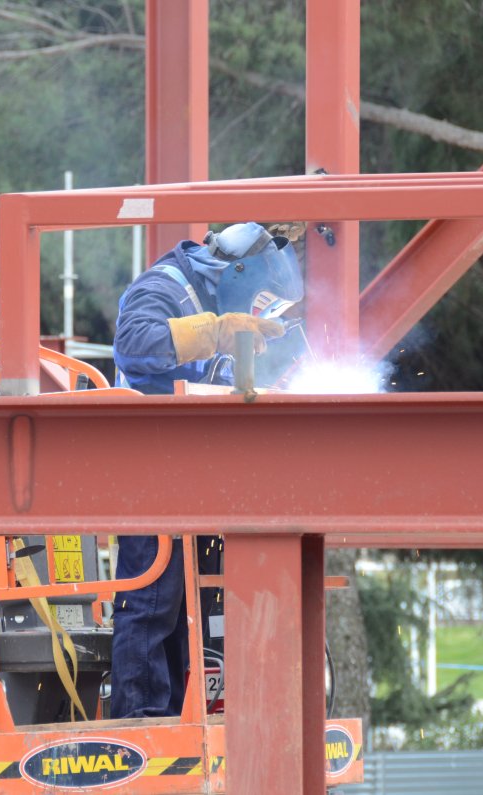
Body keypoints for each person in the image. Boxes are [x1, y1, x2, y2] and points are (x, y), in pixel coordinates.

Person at [109, 222, 304, 718]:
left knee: (189, 608)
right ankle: (141, 725)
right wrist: (218, 332)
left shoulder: (211, 296)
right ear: (236, 275)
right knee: (153, 600)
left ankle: (177, 718)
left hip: (191, 471)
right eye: (258, 302)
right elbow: (135, 343)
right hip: (146, 468)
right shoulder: (164, 287)